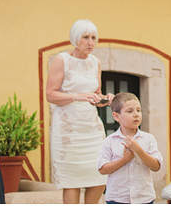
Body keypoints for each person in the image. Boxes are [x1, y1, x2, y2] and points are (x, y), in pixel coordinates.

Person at [46, 19, 115, 204]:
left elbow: (95, 96)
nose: (90, 42)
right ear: (76, 38)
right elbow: (50, 95)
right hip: (69, 130)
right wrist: (77, 96)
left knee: (99, 176)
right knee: (72, 180)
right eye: (86, 37)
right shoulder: (62, 59)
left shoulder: (96, 62)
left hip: (91, 129)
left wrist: (105, 99)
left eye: (93, 37)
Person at [97, 92, 162, 204]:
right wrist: (124, 160)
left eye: (138, 110)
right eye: (130, 111)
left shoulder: (148, 138)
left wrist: (139, 150)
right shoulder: (110, 141)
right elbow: (102, 169)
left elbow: (156, 166)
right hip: (117, 199)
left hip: (144, 199)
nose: (136, 114)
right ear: (116, 116)